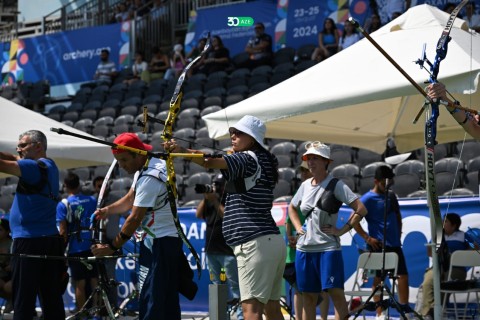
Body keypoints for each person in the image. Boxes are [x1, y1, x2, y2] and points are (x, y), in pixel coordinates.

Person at [165, 115, 286, 320]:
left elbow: (209, 162)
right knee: (272, 310)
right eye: (232, 132)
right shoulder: (263, 159)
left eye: (239, 133)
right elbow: (212, 159)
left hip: (253, 243)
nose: (233, 135)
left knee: (251, 311)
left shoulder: (246, 158)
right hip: (272, 242)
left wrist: (181, 151)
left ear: (253, 138)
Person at [91, 133, 196, 320]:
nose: (122, 165)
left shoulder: (150, 176)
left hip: (159, 244)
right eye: (118, 161)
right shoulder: (148, 166)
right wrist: (109, 210)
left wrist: (111, 248)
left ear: (138, 154)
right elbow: (131, 198)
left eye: (124, 160)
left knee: (152, 302)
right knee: (166, 303)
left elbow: (134, 218)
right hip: (162, 243)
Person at [288, 141, 367, 320]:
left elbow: (361, 209)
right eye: (309, 158)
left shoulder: (337, 185)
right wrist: (298, 228)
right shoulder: (305, 185)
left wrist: (341, 230)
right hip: (304, 250)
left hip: (328, 249)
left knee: (336, 294)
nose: (311, 162)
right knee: (308, 297)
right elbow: (291, 208)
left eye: (315, 158)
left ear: (326, 161)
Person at [0, 130, 65, 319]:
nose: (18, 149)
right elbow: (11, 156)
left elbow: (4, 163)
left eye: (22, 145)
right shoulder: (49, 164)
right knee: (51, 298)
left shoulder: (30, 167)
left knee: (23, 300)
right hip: (49, 241)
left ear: (38, 146)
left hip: (29, 242)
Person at [352, 165, 412, 318]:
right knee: (378, 281)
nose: (387, 185)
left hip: (395, 245)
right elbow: (353, 221)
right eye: (384, 183)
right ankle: (380, 314)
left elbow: (397, 215)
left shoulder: (391, 196)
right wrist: (367, 238)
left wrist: (398, 235)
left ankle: (404, 310)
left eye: (389, 182)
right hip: (378, 246)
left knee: (403, 276)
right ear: (376, 181)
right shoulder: (366, 199)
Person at [195, 173, 243, 320]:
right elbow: (198, 215)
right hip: (212, 250)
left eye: (218, 184)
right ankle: (221, 316)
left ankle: (241, 316)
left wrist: (216, 201)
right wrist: (206, 197)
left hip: (227, 251)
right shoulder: (210, 199)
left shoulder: (230, 198)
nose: (216, 187)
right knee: (217, 286)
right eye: (214, 184)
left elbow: (226, 215)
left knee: (235, 287)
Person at [285, 161, 330, 320]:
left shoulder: (323, 190)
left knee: (323, 288)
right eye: (302, 171)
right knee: (300, 289)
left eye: (305, 171)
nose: (303, 174)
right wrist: (291, 236)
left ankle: (323, 318)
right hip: (299, 248)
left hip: (318, 245)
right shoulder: (300, 190)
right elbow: (288, 218)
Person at [57, 172, 99, 313]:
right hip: (92, 245)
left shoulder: (64, 204)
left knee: (80, 283)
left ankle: (82, 312)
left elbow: (62, 230)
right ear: (79, 184)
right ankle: (95, 312)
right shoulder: (92, 200)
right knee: (94, 280)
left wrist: (61, 249)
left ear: (66, 186)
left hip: (75, 248)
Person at [419, 213, 469, 319]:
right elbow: (429, 252)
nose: (442, 224)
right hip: (439, 268)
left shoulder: (464, 236)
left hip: (456, 270)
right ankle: (428, 313)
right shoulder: (438, 236)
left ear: (454, 225)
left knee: (442, 285)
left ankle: (436, 312)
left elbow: (475, 250)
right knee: (428, 281)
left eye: (445, 222)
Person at [0, 219, 12, 309]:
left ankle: (12, 300)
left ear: (7, 231)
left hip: (10, 277)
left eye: (0, 230)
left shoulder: (12, 244)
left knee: (8, 287)